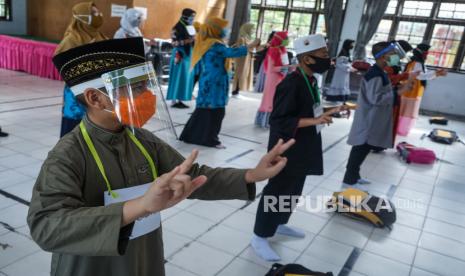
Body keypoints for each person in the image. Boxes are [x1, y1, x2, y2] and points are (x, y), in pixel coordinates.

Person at [27, 37, 295, 276]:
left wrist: (252, 174)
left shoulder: (142, 140)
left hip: (144, 255)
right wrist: (141, 206)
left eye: (146, 86)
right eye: (135, 88)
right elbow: (47, 227)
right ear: (95, 98)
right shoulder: (67, 155)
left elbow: (192, 176)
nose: (146, 96)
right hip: (92, 265)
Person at [251, 34, 347, 262]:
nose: (329, 60)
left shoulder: (310, 80)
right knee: (277, 189)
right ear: (307, 59)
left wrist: (326, 111)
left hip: (305, 143)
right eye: (323, 55)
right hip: (287, 145)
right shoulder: (291, 83)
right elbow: (279, 120)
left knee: (294, 188)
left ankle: (280, 222)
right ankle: (260, 235)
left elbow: (307, 109)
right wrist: (315, 121)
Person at [342, 42, 417, 188]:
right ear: (383, 57)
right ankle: (349, 179)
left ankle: (354, 176)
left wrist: (401, 87)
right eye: (393, 55)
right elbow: (375, 98)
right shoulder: (375, 74)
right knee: (360, 148)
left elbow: (382, 93)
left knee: (363, 149)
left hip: (373, 118)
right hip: (369, 119)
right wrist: (400, 91)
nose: (397, 58)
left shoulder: (380, 72)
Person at [179, 17, 260, 148]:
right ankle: (211, 139)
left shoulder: (207, 42)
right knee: (216, 111)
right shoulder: (215, 44)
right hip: (215, 82)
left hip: (208, 79)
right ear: (215, 29)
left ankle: (191, 135)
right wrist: (250, 45)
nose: (226, 30)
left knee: (204, 109)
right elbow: (231, 52)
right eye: (222, 28)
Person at [55, 2, 107, 137]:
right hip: (77, 93)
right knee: (74, 132)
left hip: (99, 90)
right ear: (82, 17)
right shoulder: (71, 40)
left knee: (96, 128)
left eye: (98, 12)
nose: (99, 15)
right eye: (94, 13)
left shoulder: (100, 36)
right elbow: (62, 65)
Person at [397, 43, 447, 136]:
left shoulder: (415, 62)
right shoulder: (417, 63)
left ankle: (400, 128)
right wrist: (436, 73)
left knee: (405, 109)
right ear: (422, 54)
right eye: (426, 54)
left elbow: (425, 75)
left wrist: (436, 73)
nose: (427, 56)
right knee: (408, 110)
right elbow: (421, 76)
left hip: (412, 89)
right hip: (412, 90)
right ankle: (402, 129)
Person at [255, 31, 291, 128]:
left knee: (277, 99)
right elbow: (272, 68)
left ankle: (273, 120)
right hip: (273, 79)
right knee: (270, 99)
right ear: (280, 39)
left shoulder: (282, 50)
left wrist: (289, 67)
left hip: (280, 78)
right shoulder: (273, 50)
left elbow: (285, 64)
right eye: (285, 38)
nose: (287, 40)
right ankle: (266, 121)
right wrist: (287, 68)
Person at [166, 8, 197, 109]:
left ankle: (180, 99)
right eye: (191, 16)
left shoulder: (190, 26)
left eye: (194, 17)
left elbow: (193, 40)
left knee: (184, 78)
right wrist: (188, 41)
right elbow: (174, 43)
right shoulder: (177, 27)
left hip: (188, 55)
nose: (193, 19)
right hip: (180, 54)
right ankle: (174, 101)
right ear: (185, 16)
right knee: (177, 77)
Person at [231, 23, 255, 96]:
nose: (253, 30)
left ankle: (238, 90)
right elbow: (240, 49)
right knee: (239, 74)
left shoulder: (248, 38)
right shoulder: (241, 39)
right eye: (252, 29)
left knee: (244, 74)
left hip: (247, 59)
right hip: (241, 60)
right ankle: (235, 91)